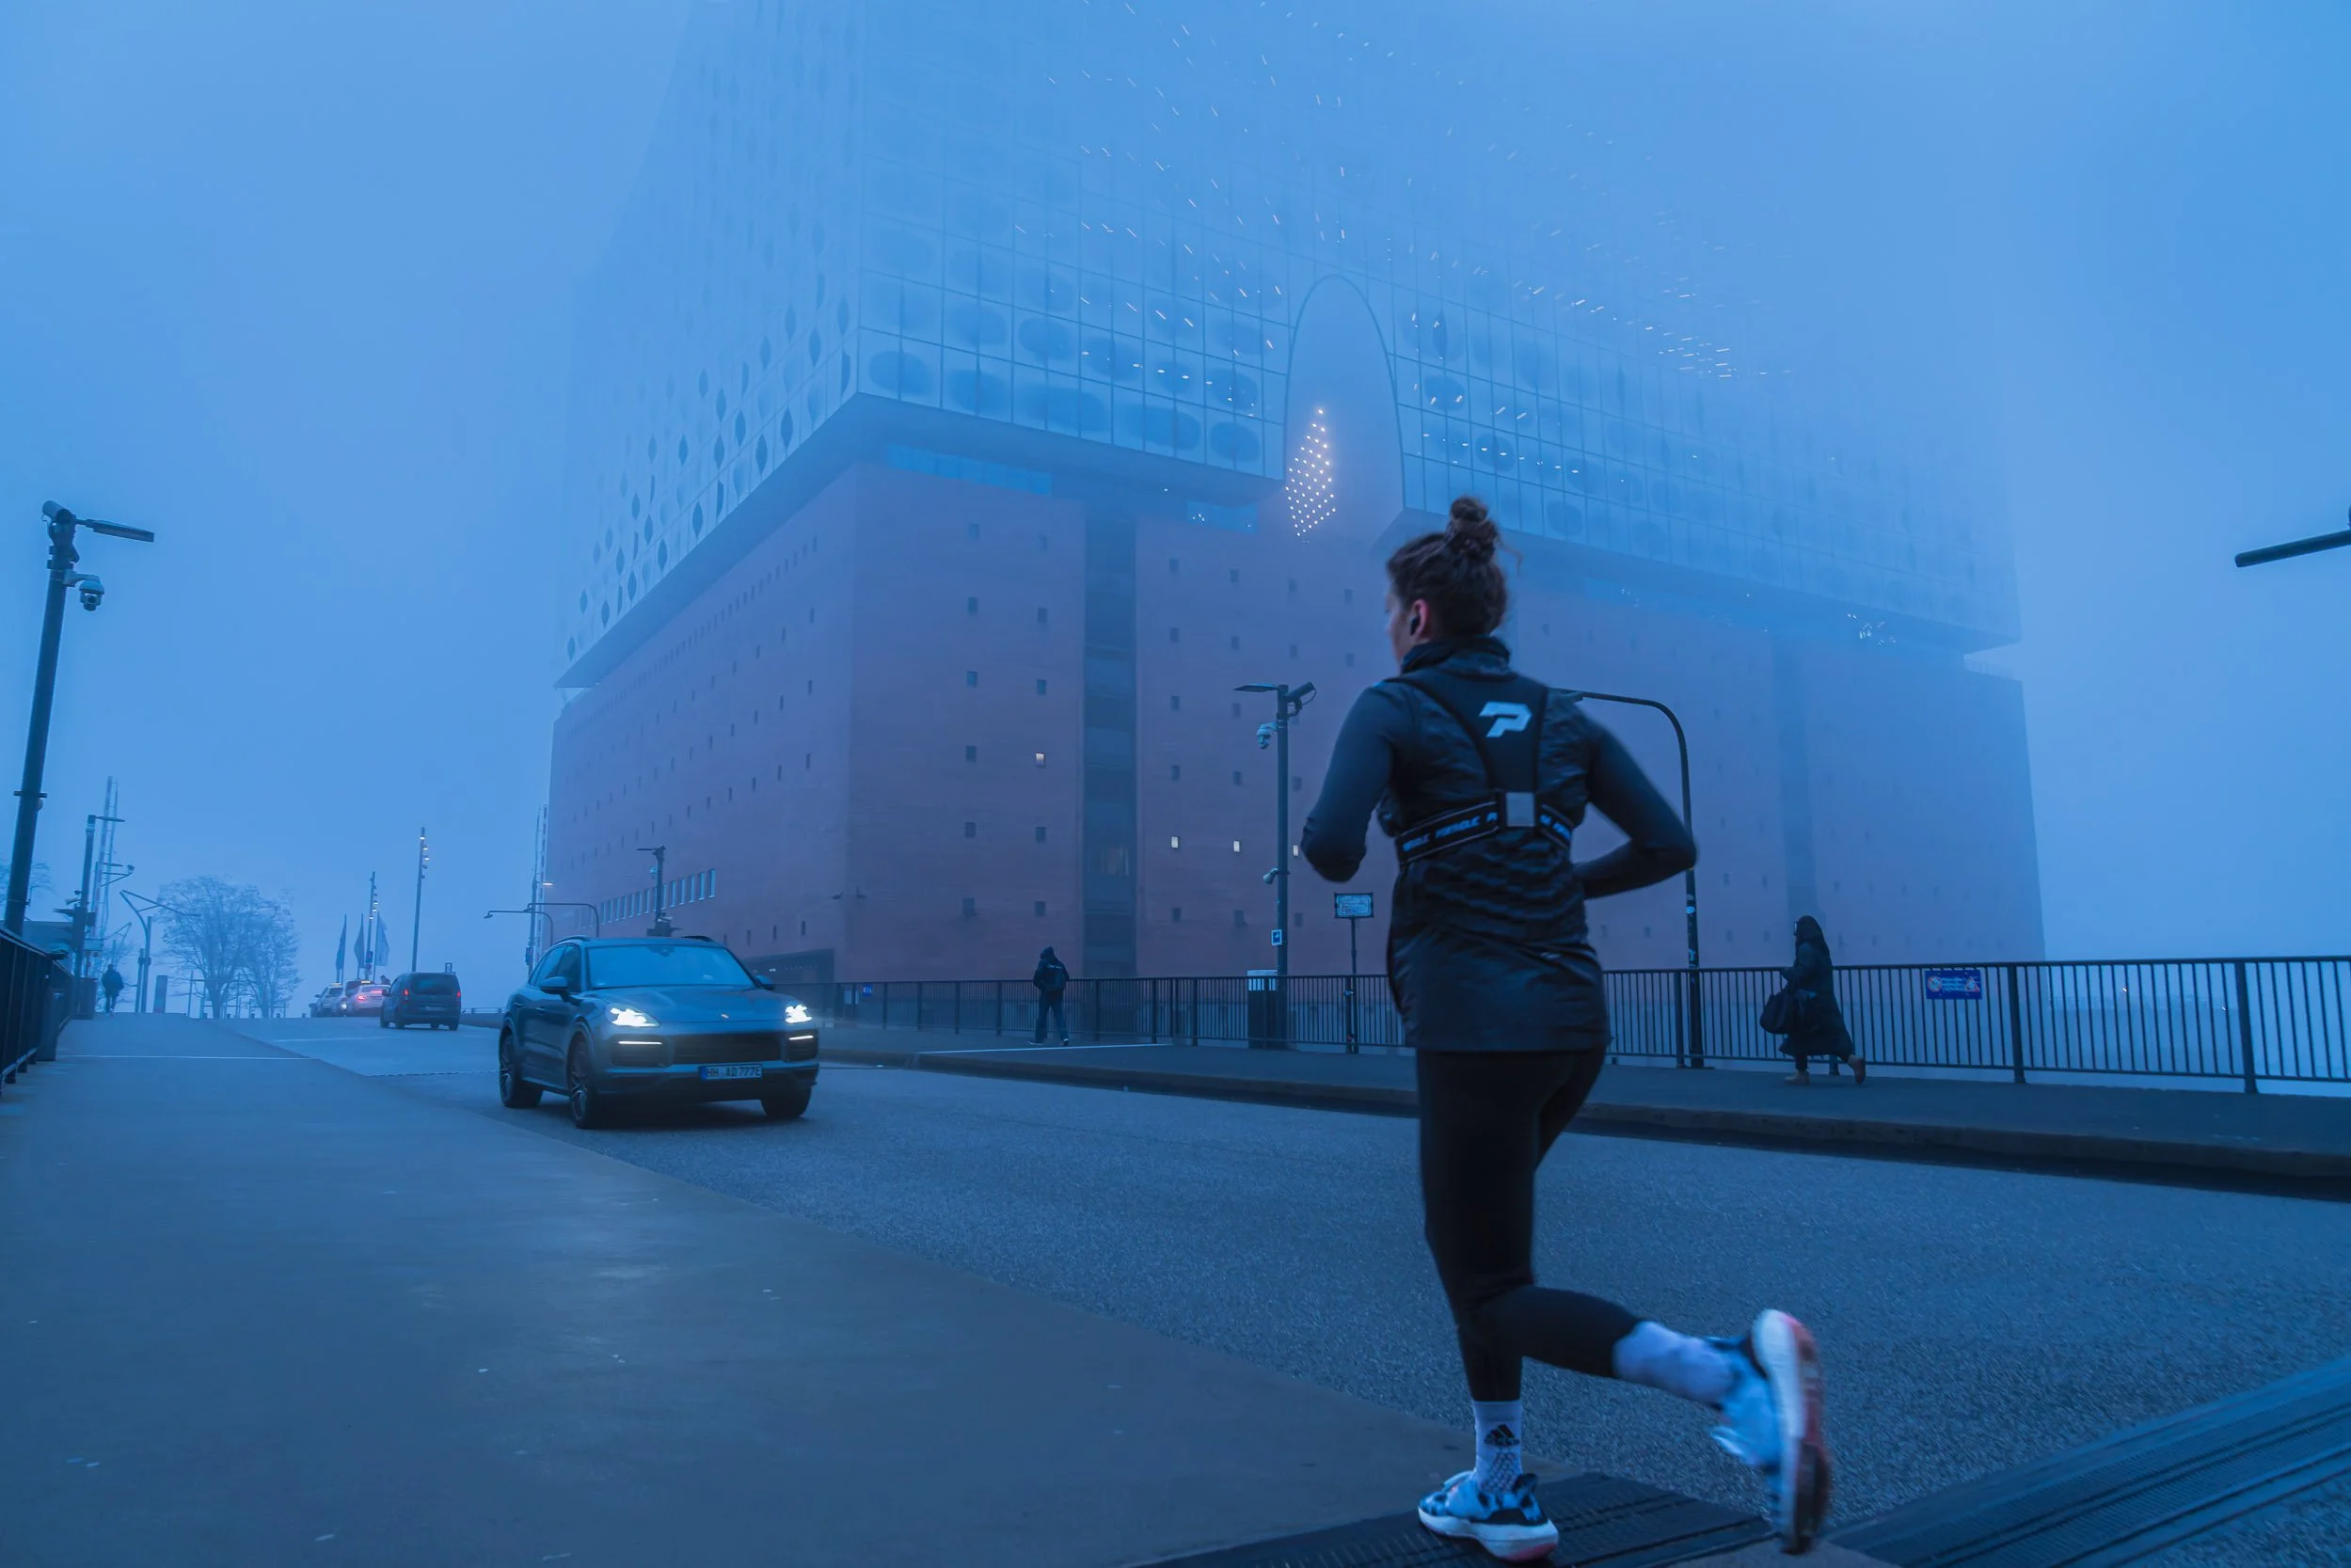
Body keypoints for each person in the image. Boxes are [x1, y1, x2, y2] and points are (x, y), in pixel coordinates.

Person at [1301, 497, 1832, 1559]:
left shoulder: (1391, 706)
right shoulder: (1567, 717)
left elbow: (1329, 847)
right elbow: (1669, 841)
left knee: (1489, 1282)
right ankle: (1500, 1483)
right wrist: (1561, 876)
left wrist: (1408, 844)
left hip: (1472, 1019)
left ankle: (1733, 1373)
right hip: (1570, 1023)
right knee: (1486, 1259)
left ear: (1414, 616)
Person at [1781, 916, 1864, 1085]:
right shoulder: (1821, 949)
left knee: (1800, 1034)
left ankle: (1802, 1073)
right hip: (1824, 999)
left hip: (1810, 1002)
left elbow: (1804, 973)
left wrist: (1787, 972)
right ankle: (1851, 1060)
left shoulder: (1806, 949)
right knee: (1826, 1036)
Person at [1030, 945, 1071, 1045]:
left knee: (1042, 1016)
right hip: (1058, 993)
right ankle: (1065, 1037)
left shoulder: (1044, 962)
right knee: (1059, 1015)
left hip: (1046, 992)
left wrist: (1041, 986)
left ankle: (1039, 1039)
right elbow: (1067, 977)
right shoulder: (1060, 964)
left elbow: (1037, 975)